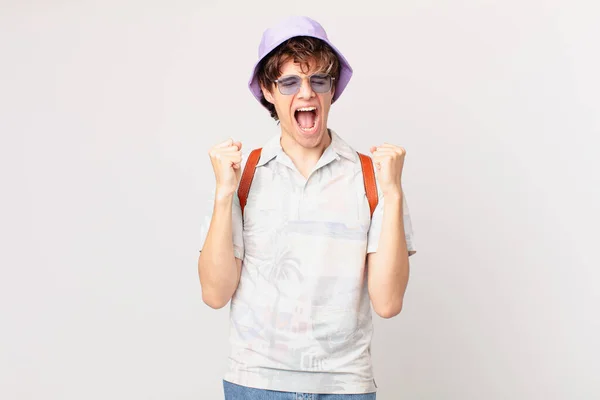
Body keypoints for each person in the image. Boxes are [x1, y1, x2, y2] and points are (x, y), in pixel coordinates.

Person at [198, 15, 416, 399]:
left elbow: (387, 302)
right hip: (256, 385)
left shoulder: (374, 177)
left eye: (319, 80)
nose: (306, 94)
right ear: (268, 90)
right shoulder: (243, 175)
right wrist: (222, 195)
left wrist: (394, 193)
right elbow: (215, 294)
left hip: (345, 387)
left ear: (332, 90)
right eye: (289, 82)